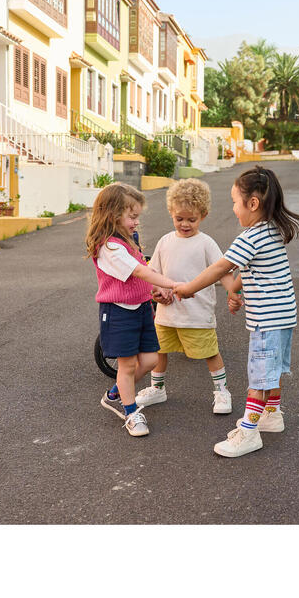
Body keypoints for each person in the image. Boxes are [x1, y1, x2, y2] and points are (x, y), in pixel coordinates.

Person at [174, 165, 299, 458]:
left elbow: (222, 266)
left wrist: (188, 288)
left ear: (253, 203)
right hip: (283, 317)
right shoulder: (271, 230)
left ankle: (248, 433)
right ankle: (271, 415)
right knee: (271, 371)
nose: (233, 209)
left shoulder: (251, 236)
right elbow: (249, 270)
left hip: (267, 320)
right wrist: (234, 290)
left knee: (259, 377)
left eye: (235, 202)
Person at [135, 178, 237, 415]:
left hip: (197, 314)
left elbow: (221, 270)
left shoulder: (206, 243)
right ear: (171, 212)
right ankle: (157, 388)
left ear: (203, 214)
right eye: (179, 218)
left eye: (192, 219)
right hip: (166, 314)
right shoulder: (165, 242)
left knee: (210, 352)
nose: (185, 224)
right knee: (159, 350)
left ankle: (221, 390)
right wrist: (157, 293)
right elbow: (154, 273)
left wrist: (233, 290)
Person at [85, 182, 176, 438]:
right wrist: (171, 283)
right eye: (132, 216)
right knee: (126, 366)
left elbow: (142, 269)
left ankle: (115, 393)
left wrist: (155, 289)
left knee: (150, 359)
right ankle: (131, 412)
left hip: (141, 308)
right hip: (119, 312)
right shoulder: (109, 247)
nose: (136, 222)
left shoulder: (128, 240)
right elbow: (137, 270)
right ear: (113, 215)